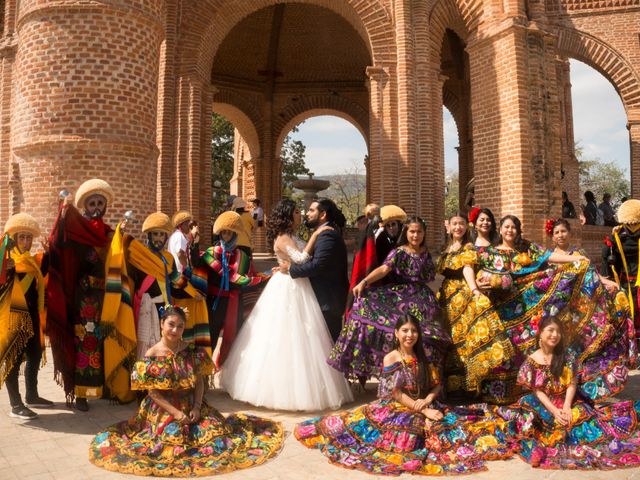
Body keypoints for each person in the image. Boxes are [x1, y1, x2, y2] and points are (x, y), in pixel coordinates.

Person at [296, 315, 511, 475]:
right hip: (398, 407)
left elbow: (437, 385)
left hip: (424, 403)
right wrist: (423, 409)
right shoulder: (391, 358)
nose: (410, 335)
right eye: (405, 330)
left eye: (414, 331)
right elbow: (396, 393)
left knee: (453, 428)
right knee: (410, 435)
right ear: (397, 333)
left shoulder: (423, 357)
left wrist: (428, 400)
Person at [89, 306, 284, 477]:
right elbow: (153, 393)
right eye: (171, 324)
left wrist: (198, 407)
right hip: (162, 408)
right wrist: (175, 413)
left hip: (191, 402)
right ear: (161, 324)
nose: (175, 330)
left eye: (180, 326)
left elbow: (199, 382)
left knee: (215, 433)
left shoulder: (191, 350)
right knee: (169, 443)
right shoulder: (151, 355)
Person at [470, 214, 633, 404]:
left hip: (528, 307)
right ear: (500, 229)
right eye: (506, 227)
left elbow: (549, 256)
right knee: (508, 348)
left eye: (513, 227)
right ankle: (502, 392)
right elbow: (477, 271)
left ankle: (537, 388)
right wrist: (478, 285)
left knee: (532, 343)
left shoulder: (526, 248)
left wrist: (577, 259)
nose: (510, 230)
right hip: (502, 308)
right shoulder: (490, 253)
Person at [221, 199, 353, 411]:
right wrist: (315, 236)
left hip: (299, 285)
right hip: (288, 287)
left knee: (305, 337)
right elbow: (301, 258)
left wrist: (312, 239)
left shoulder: (292, 236)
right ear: (287, 216)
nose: (300, 215)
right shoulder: (283, 237)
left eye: (303, 212)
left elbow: (302, 259)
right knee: (285, 337)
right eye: (297, 213)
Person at [497, 316, 640, 469]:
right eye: (550, 330)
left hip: (566, 399)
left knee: (581, 417)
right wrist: (554, 411)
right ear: (540, 333)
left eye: (558, 331)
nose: (555, 335)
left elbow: (572, 384)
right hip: (543, 403)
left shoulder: (566, 356)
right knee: (532, 416)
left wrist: (566, 406)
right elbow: (537, 391)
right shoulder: (531, 361)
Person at [329, 216, 450, 383]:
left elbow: (430, 278)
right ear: (406, 232)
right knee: (402, 334)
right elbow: (384, 269)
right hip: (402, 298)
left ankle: (424, 380)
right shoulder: (399, 251)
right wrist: (364, 282)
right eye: (412, 231)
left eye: (419, 232)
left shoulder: (426, 253)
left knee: (429, 337)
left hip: (424, 300)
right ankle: (400, 377)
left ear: (424, 233)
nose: (415, 235)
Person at [47, 179, 114, 411]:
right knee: (84, 344)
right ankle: (81, 393)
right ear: (85, 207)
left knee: (102, 343)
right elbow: (56, 244)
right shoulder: (76, 232)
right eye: (92, 203)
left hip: (104, 299)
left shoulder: (108, 234)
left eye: (100, 203)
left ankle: (100, 387)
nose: (96, 207)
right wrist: (63, 215)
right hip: (83, 301)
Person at [437, 212, 513, 397]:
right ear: (448, 226)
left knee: (466, 339)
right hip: (447, 297)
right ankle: (451, 387)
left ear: (466, 226)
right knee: (452, 339)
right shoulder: (446, 248)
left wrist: (474, 290)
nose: (458, 227)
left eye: (461, 224)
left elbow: (467, 269)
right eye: (454, 224)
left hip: (462, 295)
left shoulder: (468, 247)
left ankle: (470, 387)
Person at [192, 211, 267, 366]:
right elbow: (197, 265)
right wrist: (195, 244)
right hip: (214, 304)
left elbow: (247, 279)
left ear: (235, 234)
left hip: (234, 303)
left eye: (229, 233)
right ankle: (203, 376)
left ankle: (225, 371)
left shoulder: (243, 257)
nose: (225, 236)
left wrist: (267, 276)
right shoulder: (211, 253)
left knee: (233, 339)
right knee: (210, 338)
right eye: (223, 233)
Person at [1, 214, 53, 419]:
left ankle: (32, 395)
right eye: (21, 237)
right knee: (12, 360)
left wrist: (49, 252)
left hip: (32, 316)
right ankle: (15, 404)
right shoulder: (5, 261)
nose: (25, 242)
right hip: (11, 318)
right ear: (13, 239)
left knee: (35, 353)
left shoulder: (32, 262)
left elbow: (46, 269)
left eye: (28, 238)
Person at [279, 199, 349, 342]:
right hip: (321, 299)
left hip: (327, 300)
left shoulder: (327, 234)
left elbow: (318, 265)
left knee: (326, 345)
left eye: (311, 210)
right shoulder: (322, 232)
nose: (307, 214)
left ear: (322, 214)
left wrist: (290, 269)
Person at [603, 199, 640, 337]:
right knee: (627, 316)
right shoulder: (617, 238)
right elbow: (607, 258)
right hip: (625, 283)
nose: (633, 227)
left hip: (630, 282)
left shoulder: (618, 237)